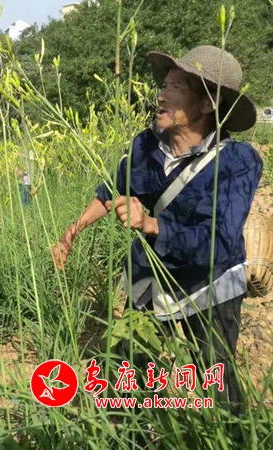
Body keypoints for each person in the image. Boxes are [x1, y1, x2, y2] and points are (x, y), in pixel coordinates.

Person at [52, 46, 263, 418]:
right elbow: (113, 189)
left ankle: (233, 434)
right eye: (164, 85)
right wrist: (73, 231)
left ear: (209, 103)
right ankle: (136, 430)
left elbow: (217, 242)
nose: (161, 96)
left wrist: (150, 224)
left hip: (209, 284)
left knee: (216, 380)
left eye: (176, 87)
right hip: (153, 273)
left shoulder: (237, 161)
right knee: (129, 368)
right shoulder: (146, 144)